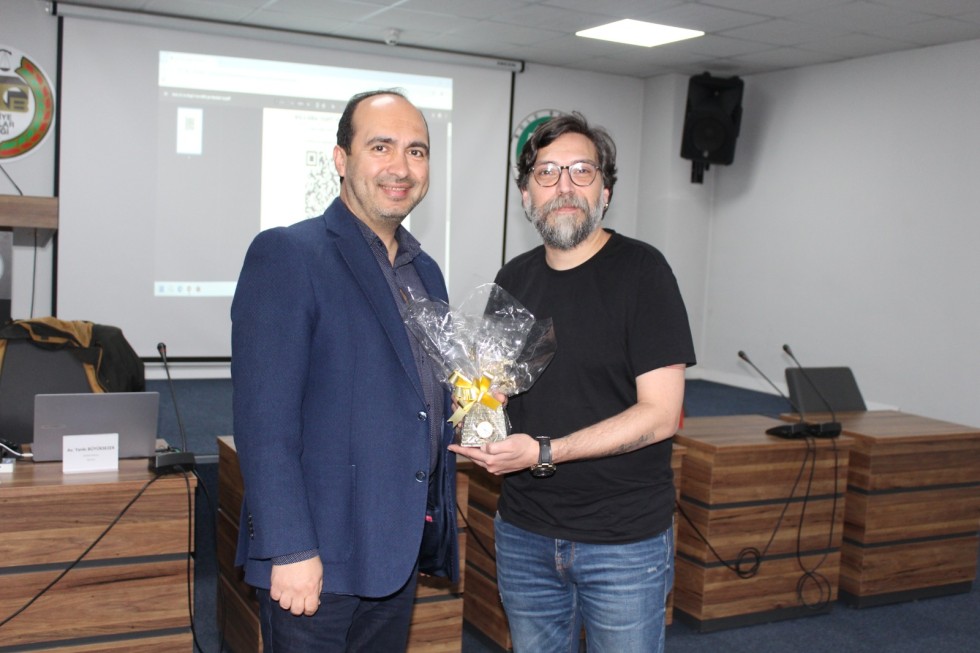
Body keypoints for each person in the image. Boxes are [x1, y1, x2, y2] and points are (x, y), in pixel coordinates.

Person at [451, 112, 696, 652]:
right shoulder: (514, 278)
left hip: (623, 541)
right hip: (524, 531)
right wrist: (477, 412)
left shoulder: (644, 272)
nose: (564, 186)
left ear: (605, 191)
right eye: (547, 172)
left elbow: (660, 416)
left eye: (581, 170)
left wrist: (545, 451)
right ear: (526, 195)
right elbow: (491, 390)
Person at [231, 89, 458, 652]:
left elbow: (416, 396)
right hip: (316, 560)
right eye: (381, 147)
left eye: (416, 151)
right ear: (341, 158)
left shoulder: (426, 272)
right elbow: (264, 424)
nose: (401, 167)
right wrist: (289, 549)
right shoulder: (289, 254)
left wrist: (476, 404)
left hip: (395, 549)